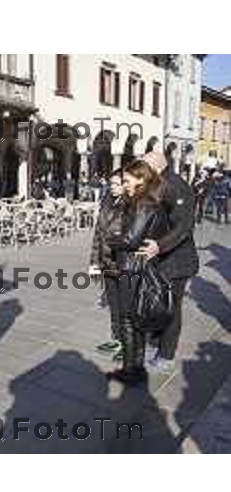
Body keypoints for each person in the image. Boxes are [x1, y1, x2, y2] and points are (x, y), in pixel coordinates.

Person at [106, 160, 168, 385]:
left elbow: (131, 239)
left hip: (132, 268)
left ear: (141, 179)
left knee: (127, 320)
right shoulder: (150, 201)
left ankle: (130, 371)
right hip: (140, 266)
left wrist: (112, 239)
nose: (124, 184)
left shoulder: (143, 204)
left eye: (126, 180)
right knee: (135, 319)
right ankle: (135, 369)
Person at [139, 150, 199, 373]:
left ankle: (166, 355)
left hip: (177, 260)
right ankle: (155, 342)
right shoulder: (156, 184)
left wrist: (159, 245)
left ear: (156, 165)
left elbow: (184, 225)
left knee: (172, 307)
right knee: (157, 303)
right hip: (159, 260)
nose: (141, 169)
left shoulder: (176, 185)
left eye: (144, 165)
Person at [89, 169, 125, 358]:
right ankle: (116, 339)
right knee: (113, 305)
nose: (113, 187)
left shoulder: (131, 205)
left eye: (117, 184)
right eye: (111, 184)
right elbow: (97, 235)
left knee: (125, 307)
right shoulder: (107, 203)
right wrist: (94, 263)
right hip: (107, 263)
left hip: (122, 264)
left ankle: (127, 346)